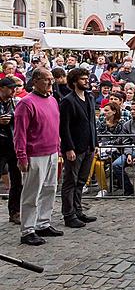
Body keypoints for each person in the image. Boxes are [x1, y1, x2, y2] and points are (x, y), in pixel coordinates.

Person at [14, 68, 63, 246]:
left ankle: (43, 223)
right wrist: (22, 156)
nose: (50, 83)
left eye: (51, 79)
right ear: (35, 81)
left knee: (50, 189)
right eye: (46, 79)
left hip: (51, 152)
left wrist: (58, 148)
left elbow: (55, 126)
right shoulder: (26, 103)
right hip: (34, 154)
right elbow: (20, 134)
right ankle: (28, 230)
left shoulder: (52, 100)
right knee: (31, 193)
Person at [58, 68, 99, 228]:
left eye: (86, 78)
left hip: (88, 146)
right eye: (83, 79)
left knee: (81, 181)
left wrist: (94, 143)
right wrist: (68, 148)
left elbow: (92, 122)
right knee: (70, 181)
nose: (86, 81)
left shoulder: (89, 97)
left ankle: (78, 210)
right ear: (74, 81)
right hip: (75, 147)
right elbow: (64, 127)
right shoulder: (68, 101)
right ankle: (68, 214)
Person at [0, 76, 21, 225]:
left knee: (17, 181)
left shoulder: (14, 102)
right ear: (2, 88)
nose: (14, 90)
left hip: (12, 145)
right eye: (10, 88)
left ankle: (15, 212)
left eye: (15, 88)